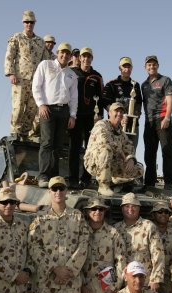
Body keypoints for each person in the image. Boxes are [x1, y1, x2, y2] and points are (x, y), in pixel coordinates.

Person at [32, 42, 78, 188]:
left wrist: (72, 115)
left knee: (58, 145)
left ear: (70, 56)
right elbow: (36, 85)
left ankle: (55, 175)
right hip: (48, 109)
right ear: (57, 53)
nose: (64, 55)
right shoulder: (45, 65)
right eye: (62, 52)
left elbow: (73, 96)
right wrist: (41, 104)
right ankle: (44, 175)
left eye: (67, 53)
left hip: (63, 110)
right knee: (47, 142)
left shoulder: (72, 74)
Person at [4, 10, 50, 140]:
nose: (29, 24)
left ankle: (24, 134)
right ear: (23, 23)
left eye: (31, 22)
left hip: (36, 81)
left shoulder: (40, 42)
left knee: (32, 109)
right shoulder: (17, 38)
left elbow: (46, 61)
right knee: (18, 107)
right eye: (26, 22)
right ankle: (15, 132)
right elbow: (9, 56)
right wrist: (11, 73)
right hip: (20, 79)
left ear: (34, 23)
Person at [84, 102, 143, 196]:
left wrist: (131, 159)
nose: (119, 114)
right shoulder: (101, 124)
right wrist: (122, 155)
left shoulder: (121, 133)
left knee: (138, 169)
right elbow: (105, 141)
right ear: (109, 113)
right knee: (106, 149)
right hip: (94, 163)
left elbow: (129, 146)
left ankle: (115, 180)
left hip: (111, 163)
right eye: (116, 111)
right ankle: (103, 185)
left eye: (121, 112)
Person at [113, 192, 165, 291]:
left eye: (134, 206)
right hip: (121, 282)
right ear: (122, 208)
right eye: (127, 206)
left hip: (144, 281)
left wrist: (156, 279)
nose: (130, 209)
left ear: (139, 208)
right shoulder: (116, 228)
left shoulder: (149, 226)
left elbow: (158, 253)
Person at [69, 47, 103, 189]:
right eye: (84, 56)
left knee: (90, 149)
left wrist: (100, 117)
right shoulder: (72, 73)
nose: (86, 59)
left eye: (89, 57)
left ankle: (86, 178)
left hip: (91, 117)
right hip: (75, 116)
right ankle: (72, 179)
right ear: (79, 58)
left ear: (91, 59)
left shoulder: (97, 76)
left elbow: (100, 98)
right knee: (74, 148)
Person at [141, 55, 172, 189]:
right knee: (149, 152)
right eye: (149, 65)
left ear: (158, 66)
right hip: (149, 121)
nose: (151, 67)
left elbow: (170, 99)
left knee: (166, 150)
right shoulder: (143, 85)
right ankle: (149, 182)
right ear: (145, 67)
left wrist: (167, 117)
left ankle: (168, 182)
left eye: (154, 64)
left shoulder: (165, 80)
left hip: (162, 119)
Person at [101, 57, 143, 148]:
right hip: (115, 125)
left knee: (130, 154)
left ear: (131, 68)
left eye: (129, 66)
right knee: (115, 152)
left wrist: (133, 116)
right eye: (124, 66)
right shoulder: (111, 84)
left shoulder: (135, 85)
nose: (127, 69)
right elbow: (105, 102)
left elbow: (139, 103)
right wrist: (119, 116)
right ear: (120, 68)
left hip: (132, 126)